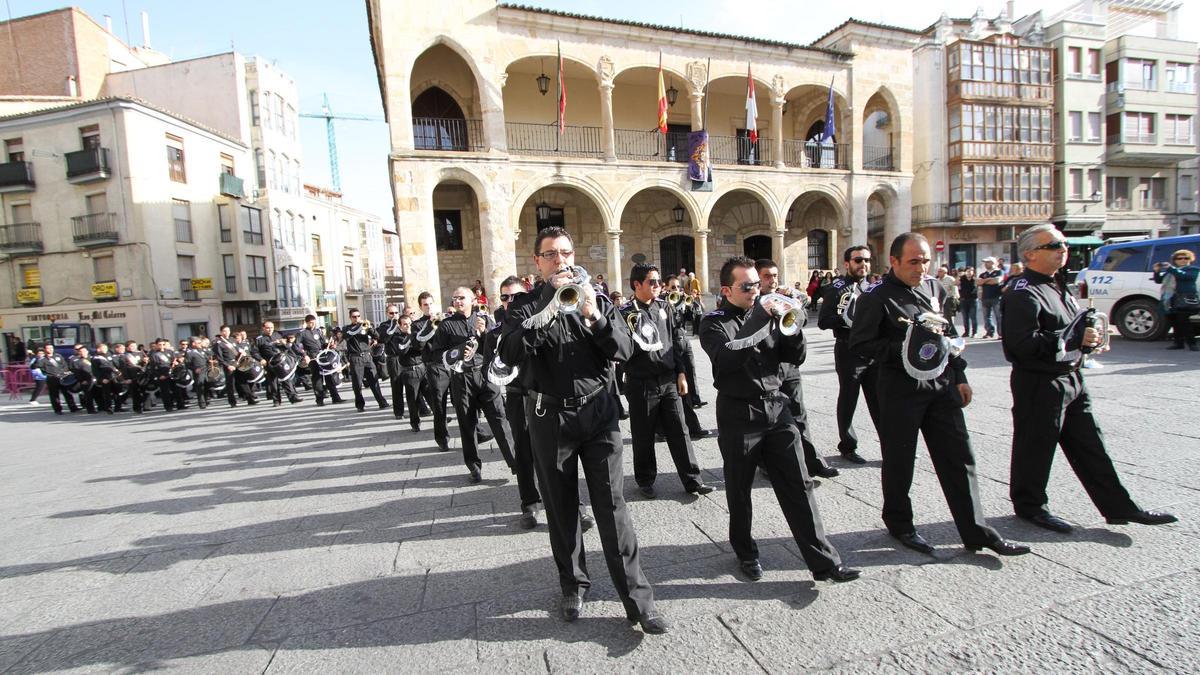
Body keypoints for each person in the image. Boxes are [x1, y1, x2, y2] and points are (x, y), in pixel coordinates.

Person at [500, 226, 667, 634]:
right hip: (548, 417)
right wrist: (548, 302)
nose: (561, 261)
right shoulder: (523, 306)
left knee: (613, 508)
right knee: (561, 508)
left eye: (566, 253)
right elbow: (508, 352)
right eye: (551, 255)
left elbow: (625, 350)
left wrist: (592, 314)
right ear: (537, 263)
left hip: (599, 414)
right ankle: (573, 583)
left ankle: (638, 601)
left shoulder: (598, 299)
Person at [849, 233, 1029, 557]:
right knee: (900, 460)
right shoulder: (876, 298)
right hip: (900, 390)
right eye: (913, 262)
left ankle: (976, 531)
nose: (921, 268)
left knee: (959, 458)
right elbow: (860, 344)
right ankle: (900, 523)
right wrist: (904, 348)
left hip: (941, 386)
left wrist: (960, 374)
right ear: (894, 261)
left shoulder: (935, 288)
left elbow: (950, 333)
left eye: (926, 261)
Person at [1001, 224, 1177, 532]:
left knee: (1091, 445)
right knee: (1036, 446)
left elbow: (1072, 329)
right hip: (1040, 382)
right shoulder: (1022, 291)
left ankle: (1119, 506)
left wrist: (1088, 337)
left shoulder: (1057, 285)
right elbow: (1019, 346)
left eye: (1063, 244)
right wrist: (1073, 339)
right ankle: (1030, 506)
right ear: (1030, 254)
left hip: (1071, 377)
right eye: (1053, 245)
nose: (1062, 249)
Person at [700, 256, 860, 584]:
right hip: (739, 413)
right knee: (739, 489)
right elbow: (727, 359)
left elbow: (794, 357)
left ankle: (824, 562)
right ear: (728, 290)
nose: (755, 291)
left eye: (757, 285)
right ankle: (745, 551)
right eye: (747, 287)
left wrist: (792, 324)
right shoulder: (712, 321)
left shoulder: (769, 313)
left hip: (777, 407)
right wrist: (760, 316)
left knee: (798, 484)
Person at [623, 263, 714, 499]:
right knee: (643, 434)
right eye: (652, 282)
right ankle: (645, 480)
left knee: (680, 430)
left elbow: (675, 341)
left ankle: (693, 479)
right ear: (637, 285)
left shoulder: (665, 307)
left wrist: (681, 373)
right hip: (641, 383)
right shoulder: (625, 313)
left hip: (668, 380)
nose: (658, 286)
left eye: (658, 281)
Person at [756, 258, 838, 479]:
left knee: (799, 414)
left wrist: (791, 299)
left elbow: (802, 309)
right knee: (767, 421)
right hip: (765, 368)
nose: (772, 280)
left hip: (788, 364)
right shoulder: (753, 302)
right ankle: (765, 463)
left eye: (774, 275)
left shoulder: (784, 296)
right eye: (766, 276)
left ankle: (814, 462)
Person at [430, 287, 514, 483]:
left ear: (473, 299)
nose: (458, 301)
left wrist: (484, 332)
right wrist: (458, 352)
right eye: (455, 298)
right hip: (462, 378)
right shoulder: (446, 325)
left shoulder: (485, 319)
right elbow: (436, 354)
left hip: (485, 375)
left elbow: (497, 346)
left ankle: (515, 462)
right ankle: (474, 468)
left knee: (500, 419)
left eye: (462, 298)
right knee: (467, 424)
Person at [817, 246, 881, 464]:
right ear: (847, 264)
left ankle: (891, 444)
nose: (863, 264)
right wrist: (845, 319)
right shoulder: (836, 288)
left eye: (867, 260)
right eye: (858, 260)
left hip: (872, 352)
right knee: (848, 399)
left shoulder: (873, 288)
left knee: (880, 400)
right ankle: (847, 445)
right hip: (848, 350)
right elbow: (823, 321)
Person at [494, 275, 547, 528]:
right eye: (505, 297)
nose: (510, 301)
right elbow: (487, 367)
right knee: (524, 452)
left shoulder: (538, 321)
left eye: (515, 296)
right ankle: (530, 504)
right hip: (516, 395)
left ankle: (575, 505)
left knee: (554, 452)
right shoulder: (495, 330)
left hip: (542, 394)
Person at [415, 292, 452, 450]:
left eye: (431, 303)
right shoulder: (417, 325)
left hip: (451, 364)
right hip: (435, 366)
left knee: (463, 401)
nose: (429, 307)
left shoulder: (444, 320)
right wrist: (429, 324)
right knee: (439, 403)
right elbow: (418, 346)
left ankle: (476, 431)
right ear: (420, 307)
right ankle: (442, 438)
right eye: (425, 304)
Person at [342, 309, 388, 411]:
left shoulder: (365, 326)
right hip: (356, 357)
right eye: (354, 317)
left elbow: (377, 336)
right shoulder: (346, 328)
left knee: (374, 380)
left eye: (358, 316)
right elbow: (347, 335)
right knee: (357, 383)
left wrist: (370, 328)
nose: (357, 318)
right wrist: (359, 326)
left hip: (367, 356)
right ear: (350, 317)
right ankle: (360, 405)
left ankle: (382, 402)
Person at [1153, 250, 1199, 350]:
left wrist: (1171, 268)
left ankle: (1192, 344)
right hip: (1170, 299)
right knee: (1174, 321)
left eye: (1186, 258)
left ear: (1190, 259)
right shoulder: (1170, 272)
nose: (1183, 260)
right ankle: (1178, 343)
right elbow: (1159, 280)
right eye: (1179, 258)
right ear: (1175, 260)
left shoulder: (1193, 269)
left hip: (1185, 298)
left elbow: (1185, 276)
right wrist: (1156, 271)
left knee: (1183, 321)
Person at [254, 321, 301, 406]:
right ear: (263, 328)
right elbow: (254, 352)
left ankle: (293, 397)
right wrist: (261, 359)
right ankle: (276, 400)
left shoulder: (278, 335)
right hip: (269, 363)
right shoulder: (259, 339)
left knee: (286, 379)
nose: (270, 329)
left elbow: (286, 348)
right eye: (268, 328)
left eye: (271, 327)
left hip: (280, 361)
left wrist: (284, 344)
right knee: (273, 382)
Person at [298, 315, 343, 406]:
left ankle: (336, 398)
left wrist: (330, 345)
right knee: (317, 379)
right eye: (310, 322)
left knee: (329, 376)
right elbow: (298, 346)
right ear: (306, 323)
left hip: (322, 356)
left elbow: (323, 343)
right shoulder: (302, 333)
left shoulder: (318, 331)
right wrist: (304, 355)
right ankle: (319, 400)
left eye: (314, 322)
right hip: (312, 357)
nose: (313, 324)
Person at [394, 313, 425, 432]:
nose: (408, 327)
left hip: (422, 368)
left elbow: (421, 347)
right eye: (405, 325)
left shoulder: (416, 335)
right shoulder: (398, 338)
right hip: (410, 372)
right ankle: (415, 423)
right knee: (413, 399)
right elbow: (403, 350)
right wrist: (410, 337)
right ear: (400, 326)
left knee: (432, 394)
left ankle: (440, 417)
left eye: (409, 324)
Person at [35, 344, 77, 414]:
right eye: (48, 348)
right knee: (54, 395)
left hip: (63, 377)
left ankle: (73, 407)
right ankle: (58, 409)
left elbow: (64, 365)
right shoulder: (43, 359)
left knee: (67, 393)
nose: (50, 349)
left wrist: (65, 373)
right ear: (45, 350)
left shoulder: (58, 356)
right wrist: (48, 374)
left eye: (51, 348)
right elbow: (39, 367)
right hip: (52, 378)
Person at [978, 257, 1004, 338]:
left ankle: (1001, 333)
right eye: (985, 262)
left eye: (988, 262)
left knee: (998, 316)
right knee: (987, 317)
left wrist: (985, 280)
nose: (986, 264)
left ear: (993, 263)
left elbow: (996, 281)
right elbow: (978, 282)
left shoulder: (999, 272)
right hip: (985, 297)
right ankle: (989, 332)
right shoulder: (982, 274)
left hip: (996, 297)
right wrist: (989, 280)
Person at [90, 342, 120, 413]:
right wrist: (101, 379)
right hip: (105, 378)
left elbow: (112, 365)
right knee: (107, 394)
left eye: (106, 348)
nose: (106, 349)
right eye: (104, 348)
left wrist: (117, 372)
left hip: (113, 376)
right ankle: (108, 408)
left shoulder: (109, 356)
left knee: (116, 392)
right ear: (98, 349)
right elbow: (95, 371)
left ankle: (118, 407)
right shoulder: (96, 358)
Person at [68, 344, 97, 414]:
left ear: (87, 351)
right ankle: (90, 409)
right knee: (88, 395)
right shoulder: (77, 361)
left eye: (84, 351)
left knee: (97, 393)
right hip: (85, 380)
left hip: (95, 378)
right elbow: (77, 372)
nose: (82, 353)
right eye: (80, 351)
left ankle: (101, 406)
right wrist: (81, 380)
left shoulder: (92, 358)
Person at [184, 337, 209, 409]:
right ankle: (202, 403)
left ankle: (206, 399)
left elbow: (206, 358)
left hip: (206, 369)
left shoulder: (201, 350)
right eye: (198, 343)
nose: (200, 344)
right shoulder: (189, 352)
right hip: (198, 370)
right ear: (193, 343)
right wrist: (194, 369)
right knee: (200, 387)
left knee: (206, 385)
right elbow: (187, 364)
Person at [937, 266, 960, 337]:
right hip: (940, 300)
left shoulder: (950, 279)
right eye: (938, 271)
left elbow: (955, 290)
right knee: (942, 317)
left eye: (940, 271)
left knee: (949, 317)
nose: (938, 273)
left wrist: (955, 299)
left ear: (945, 272)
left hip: (949, 299)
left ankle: (953, 332)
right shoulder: (937, 280)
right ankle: (947, 331)